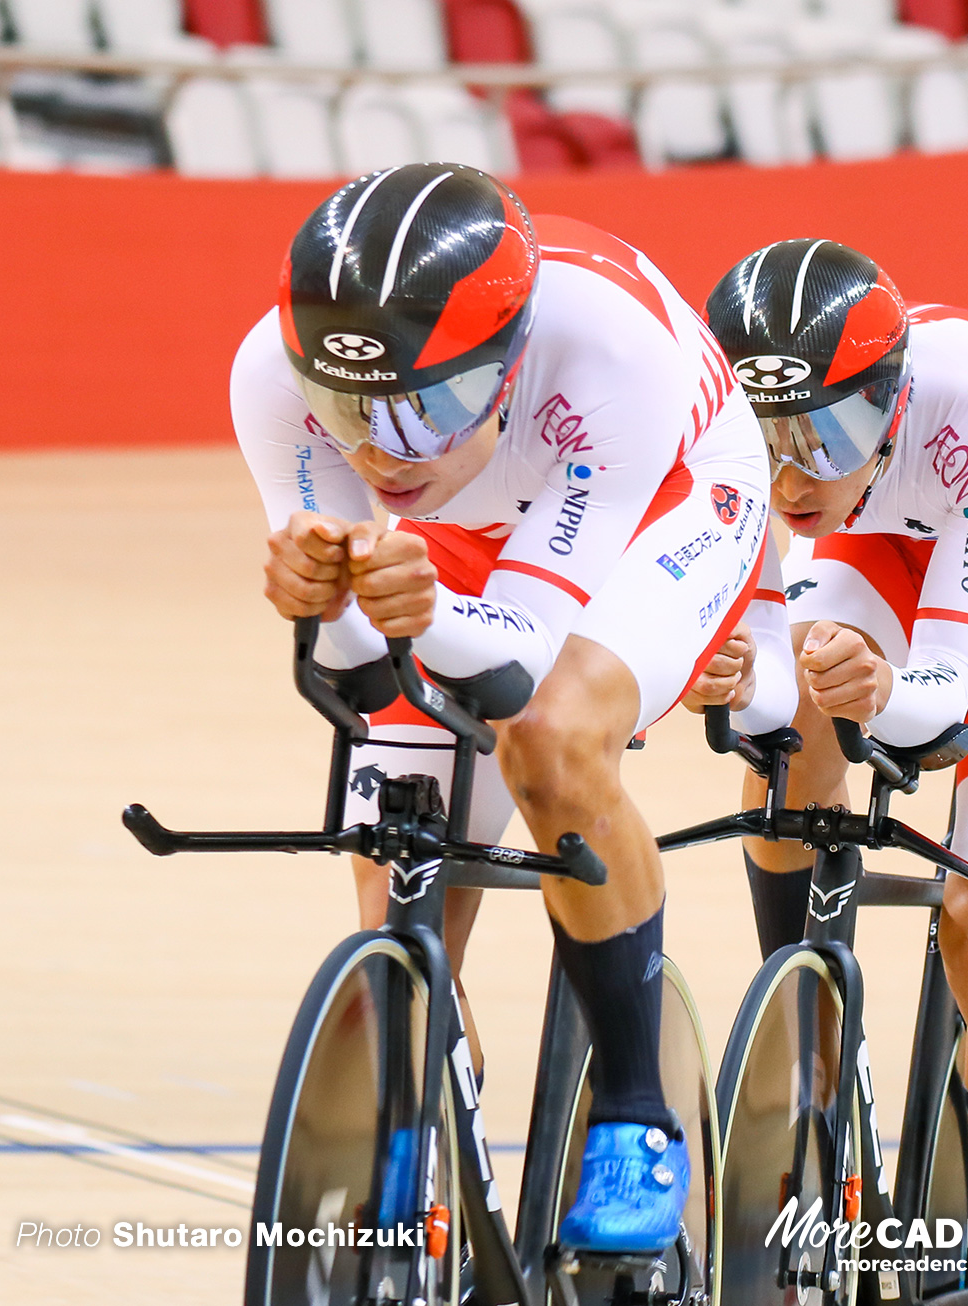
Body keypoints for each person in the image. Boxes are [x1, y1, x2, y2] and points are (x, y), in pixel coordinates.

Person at [232, 163, 786, 1254]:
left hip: (662, 493)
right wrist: (326, 599)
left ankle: (636, 1112)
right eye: (348, 410)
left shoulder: (609, 353)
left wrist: (411, 612)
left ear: (507, 365)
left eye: (423, 405)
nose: (383, 448)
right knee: (396, 798)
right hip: (470, 520)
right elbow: (355, 679)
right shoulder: (272, 373)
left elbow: (523, 666)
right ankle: (423, 1079)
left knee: (552, 743)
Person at [696, 238, 968, 1306]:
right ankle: (813, 1071)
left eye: (824, 437)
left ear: (891, 400)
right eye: (767, 440)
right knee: (788, 750)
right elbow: (737, 674)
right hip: (875, 551)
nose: (789, 474)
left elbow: (938, 697)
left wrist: (882, 688)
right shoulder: (766, 460)